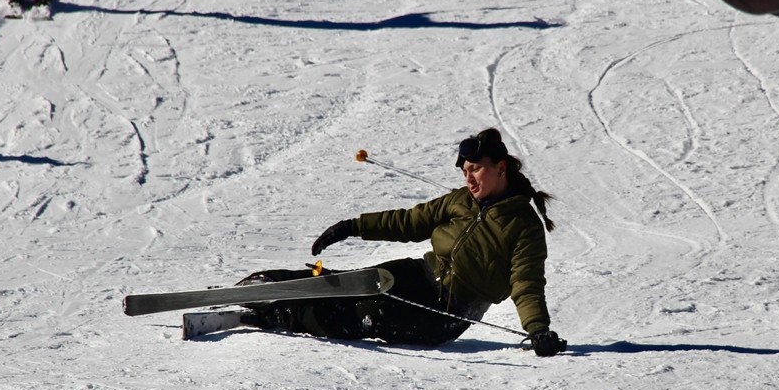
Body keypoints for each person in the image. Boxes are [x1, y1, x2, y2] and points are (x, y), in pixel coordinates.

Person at [239, 128, 568, 356]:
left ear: (501, 168)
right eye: (465, 171)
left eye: (476, 170)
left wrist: (538, 329)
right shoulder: (460, 201)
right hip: (418, 274)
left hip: (448, 311)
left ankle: (279, 316)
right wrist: (352, 227)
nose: (469, 179)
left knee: (363, 314)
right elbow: (409, 222)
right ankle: (266, 285)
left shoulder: (523, 226)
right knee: (348, 285)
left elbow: (526, 282)